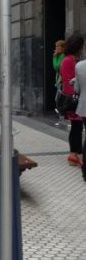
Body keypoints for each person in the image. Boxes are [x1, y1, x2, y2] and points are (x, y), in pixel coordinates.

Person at [60, 34, 84, 167]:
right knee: (77, 127)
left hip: (75, 98)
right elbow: (69, 81)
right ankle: (76, 154)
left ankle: (74, 155)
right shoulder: (69, 60)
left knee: (77, 127)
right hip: (73, 99)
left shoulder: (73, 59)